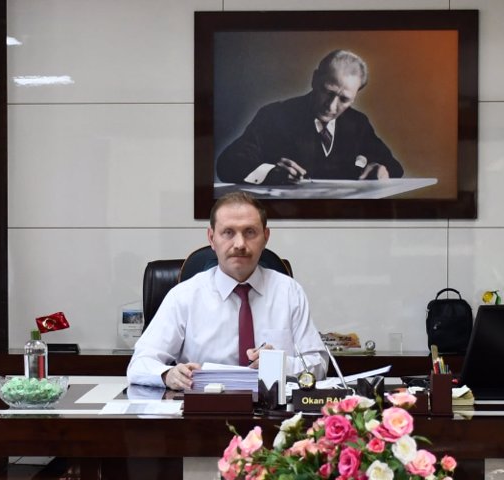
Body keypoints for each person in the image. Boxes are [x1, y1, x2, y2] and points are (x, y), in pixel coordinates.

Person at [127, 192, 329, 389]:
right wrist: (167, 374)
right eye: (228, 232)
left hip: (275, 407)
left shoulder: (289, 292)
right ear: (211, 238)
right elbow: (140, 363)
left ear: (265, 237)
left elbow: (319, 364)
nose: (240, 244)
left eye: (250, 232)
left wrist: (281, 364)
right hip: (205, 407)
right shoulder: (184, 296)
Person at [216, 49, 404, 185]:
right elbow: (228, 163)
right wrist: (271, 172)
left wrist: (381, 170)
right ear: (315, 79)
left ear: (355, 96)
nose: (331, 106)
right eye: (328, 92)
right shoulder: (274, 116)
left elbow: (394, 167)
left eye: (344, 99)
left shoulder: (357, 123)